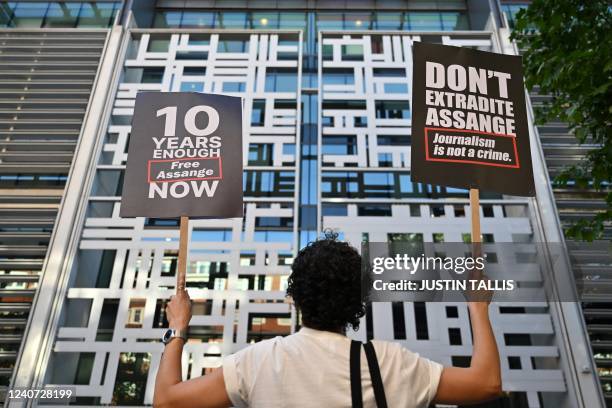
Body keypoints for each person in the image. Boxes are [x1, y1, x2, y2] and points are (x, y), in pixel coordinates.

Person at [154, 236, 501, 408]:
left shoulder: (258, 361)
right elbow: (485, 384)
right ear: (358, 301)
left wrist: (178, 329)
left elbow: (167, 400)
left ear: (296, 298)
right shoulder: (390, 362)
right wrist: (477, 309)